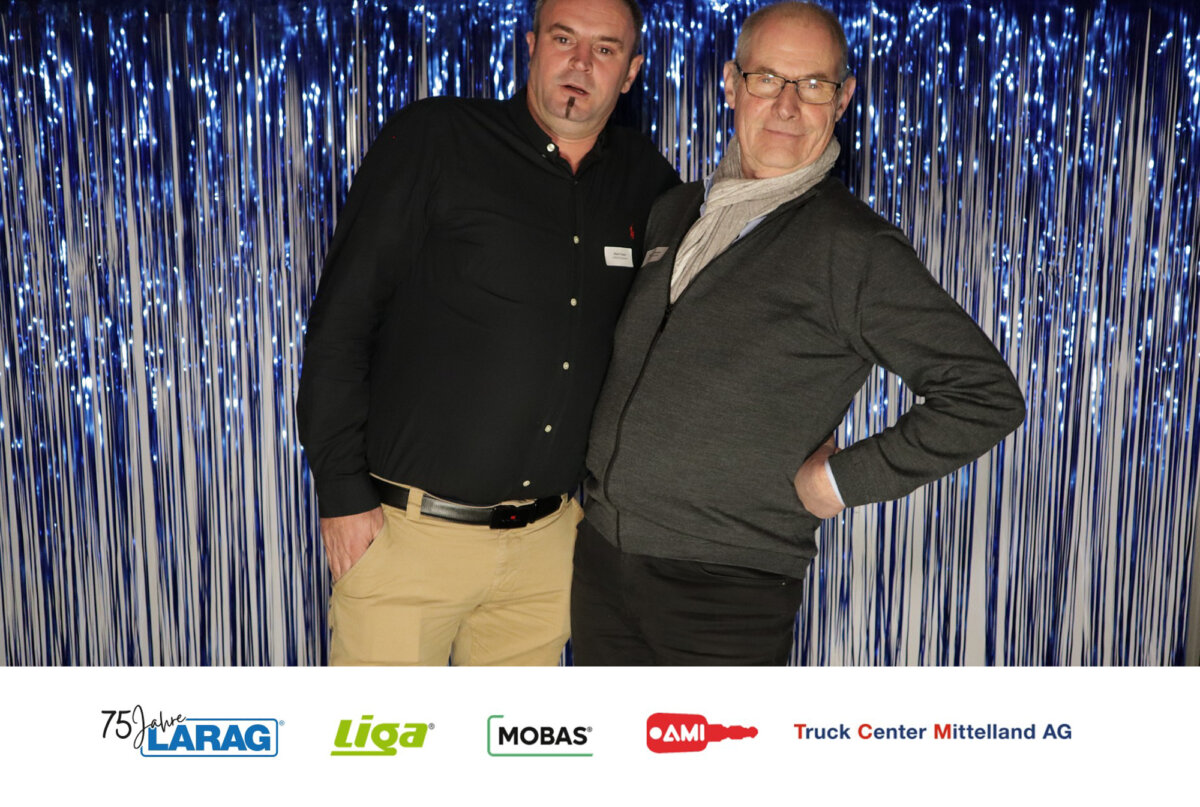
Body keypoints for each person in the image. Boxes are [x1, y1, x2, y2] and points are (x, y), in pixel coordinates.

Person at [572, 1, 1026, 665]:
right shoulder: (676, 211)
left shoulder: (852, 246)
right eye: (767, 79)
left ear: (841, 101)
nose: (786, 106)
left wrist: (840, 481)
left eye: (813, 85)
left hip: (723, 589)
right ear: (732, 85)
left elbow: (987, 396)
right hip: (602, 563)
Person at [296, 0, 678, 666]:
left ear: (631, 71)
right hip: (408, 541)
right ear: (531, 45)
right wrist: (341, 494)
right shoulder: (437, 139)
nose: (580, 63)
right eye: (564, 38)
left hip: (546, 551)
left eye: (605, 49)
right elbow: (342, 320)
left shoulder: (646, 181)